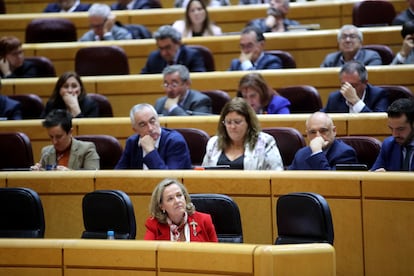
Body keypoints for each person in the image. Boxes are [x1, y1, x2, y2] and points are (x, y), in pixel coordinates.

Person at [202, 97, 284, 170]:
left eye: (237, 122)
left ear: (248, 123)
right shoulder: (213, 143)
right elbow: (203, 176)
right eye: (228, 122)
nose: (233, 127)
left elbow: (277, 177)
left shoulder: (265, 142)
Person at [115, 103, 192, 169]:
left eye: (152, 121)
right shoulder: (132, 142)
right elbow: (118, 175)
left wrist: (150, 151)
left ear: (158, 120)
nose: (150, 128)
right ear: (135, 130)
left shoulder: (175, 142)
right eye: (143, 125)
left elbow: (170, 180)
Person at [144, 178, 218, 242]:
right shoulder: (154, 226)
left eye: (179, 195)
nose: (177, 201)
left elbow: (216, 254)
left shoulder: (204, 221)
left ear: (185, 198)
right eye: (170, 199)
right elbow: (147, 255)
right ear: (161, 206)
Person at [30, 109, 100, 171]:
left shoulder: (87, 149)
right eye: (51, 137)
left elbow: (92, 177)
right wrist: (38, 172)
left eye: (59, 137)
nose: (54, 142)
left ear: (70, 132)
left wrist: (69, 173)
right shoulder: (46, 152)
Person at [288, 112, 357, 170]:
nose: (318, 136)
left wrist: (317, 152)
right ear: (307, 135)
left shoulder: (345, 153)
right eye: (313, 132)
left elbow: (331, 183)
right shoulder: (301, 154)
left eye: (323, 131)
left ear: (334, 131)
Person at [321, 61, 388, 113]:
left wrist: (356, 101)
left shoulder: (379, 95)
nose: (348, 89)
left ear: (365, 82)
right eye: (344, 85)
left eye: (353, 85)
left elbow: (378, 123)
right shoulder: (335, 98)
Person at [140, 25, 206, 74]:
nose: (164, 53)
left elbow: (199, 82)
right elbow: (142, 81)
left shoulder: (192, 56)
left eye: (167, 47)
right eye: (160, 48)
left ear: (178, 43)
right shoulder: (153, 58)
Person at [371, 98, 414, 172]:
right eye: (391, 128)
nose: (394, 135)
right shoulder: (389, 145)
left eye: (400, 129)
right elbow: (372, 175)